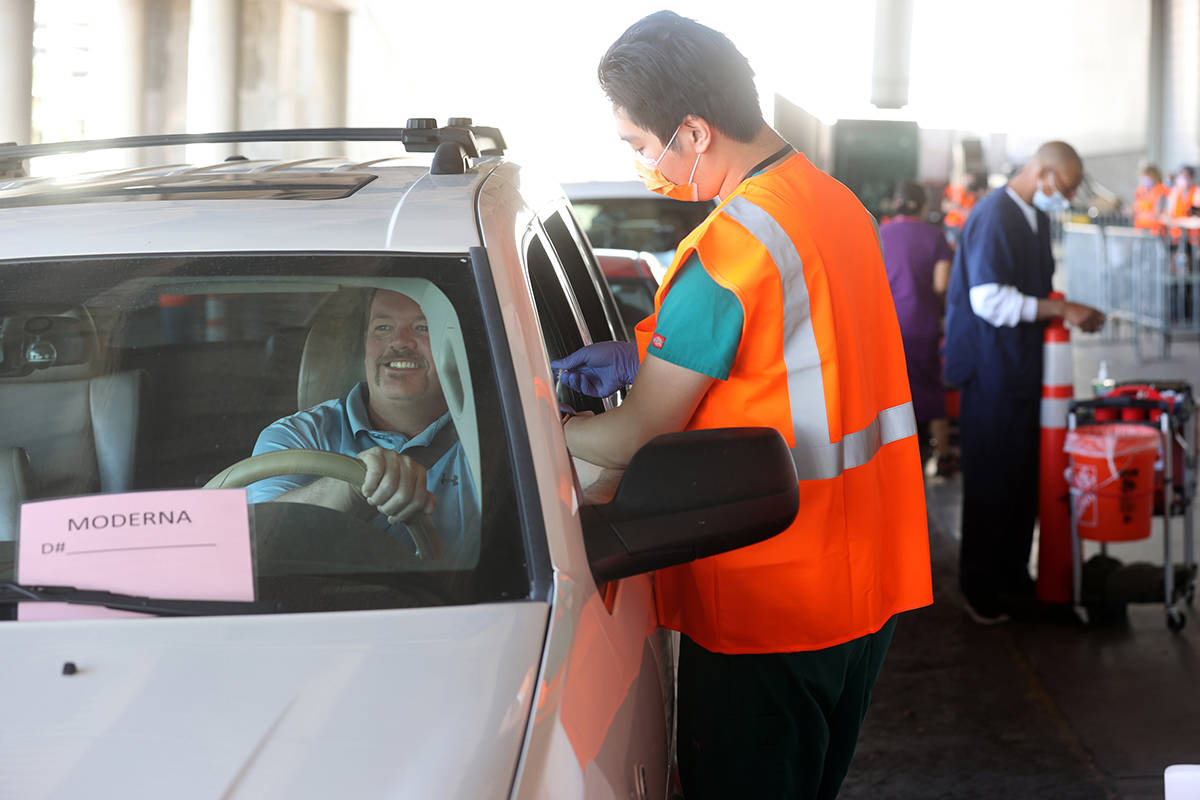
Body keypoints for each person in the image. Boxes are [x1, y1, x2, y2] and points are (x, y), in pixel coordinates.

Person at [551, 12, 933, 799]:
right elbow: (807, 354)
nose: (640, 164)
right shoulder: (835, 205)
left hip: (772, 597)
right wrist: (646, 353)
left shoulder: (731, 247)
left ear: (692, 131)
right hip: (866, 578)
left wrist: (543, 437)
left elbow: (634, 435)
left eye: (636, 144)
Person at [943, 141, 1105, 625]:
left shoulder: (1032, 216)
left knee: (1021, 477)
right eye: (1068, 187)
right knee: (992, 478)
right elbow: (991, 300)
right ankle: (981, 586)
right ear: (1043, 173)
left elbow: (1033, 291)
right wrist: (1062, 309)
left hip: (1018, 368)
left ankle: (1013, 572)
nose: (1070, 196)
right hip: (991, 371)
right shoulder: (995, 215)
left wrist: (1062, 307)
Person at [247, 289, 479, 562]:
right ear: (363, 346)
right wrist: (351, 483)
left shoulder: (493, 441)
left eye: (422, 327)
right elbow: (256, 546)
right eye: (383, 327)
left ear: (452, 347)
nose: (400, 341)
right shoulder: (294, 438)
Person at [880, 181, 956, 477]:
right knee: (930, 388)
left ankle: (893, 457)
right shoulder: (936, 237)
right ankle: (944, 455)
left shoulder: (881, 233)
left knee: (890, 392)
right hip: (922, 324)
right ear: (924, 206)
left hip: (887, 327)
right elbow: (941, 284)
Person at [1132, 164, 1167, 235]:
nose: (1145, 180)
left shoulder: (1160, 191)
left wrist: (1142, 215)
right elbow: (1136, 210)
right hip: (1140, 230)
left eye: (1148, 177)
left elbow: (1158, 213)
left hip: (1156, 232)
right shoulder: (1140, 192)